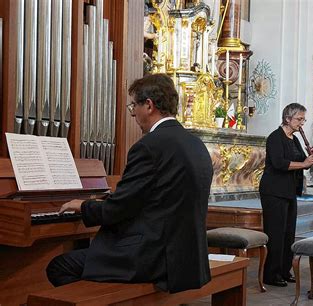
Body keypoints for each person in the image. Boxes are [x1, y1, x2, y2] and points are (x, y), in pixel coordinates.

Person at [46, 74, 214, 293]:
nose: (133, 112)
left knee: (59, 267)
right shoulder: (196, 144)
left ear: (149, 105)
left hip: (152, 257)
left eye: (134, 105)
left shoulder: (149, 146)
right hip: (187, 257)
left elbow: (120, 208)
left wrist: (84, 206)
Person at [259, 103, 313, 287]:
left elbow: (299, 159)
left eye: (303, 119)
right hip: (274, 191)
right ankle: (271, 274)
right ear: (287, 118)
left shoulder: (294, 139)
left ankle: (284, 270)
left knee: (288, 233)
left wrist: (309, 157)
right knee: (275, 233)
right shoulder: (275, 138)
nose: (302, 123)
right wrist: (304, 164)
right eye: (299, 119)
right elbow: (279, 163)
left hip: (289, 191)